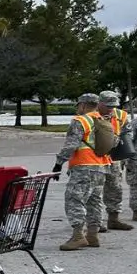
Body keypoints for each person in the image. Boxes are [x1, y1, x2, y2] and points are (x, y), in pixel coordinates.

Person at [52, 93, 112, 251]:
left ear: (83, 105)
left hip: (83, 167)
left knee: (74, 199)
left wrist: (59, 163)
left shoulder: (80, 121)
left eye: (78, 105)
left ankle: (78, 236)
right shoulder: (103, 120)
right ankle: (93, 235)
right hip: (101, 167)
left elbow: (71, 144)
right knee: (95, 201)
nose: (78, 108)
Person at [97, 91, 134, 231]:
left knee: (115, 188)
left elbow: (127, 131)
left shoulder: (121, 115)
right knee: (96, 190)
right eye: (107, 105)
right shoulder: (90, 115)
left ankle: (113, 219)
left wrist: (125, 148)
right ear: (99, 103)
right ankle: (96, 222)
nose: (111, 108)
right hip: (96, 157)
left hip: (114, 157)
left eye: (113, 105)